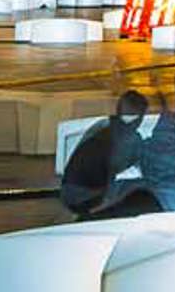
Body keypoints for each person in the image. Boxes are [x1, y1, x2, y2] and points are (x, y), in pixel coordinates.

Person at [60, 89, 149, 218]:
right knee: (142, 186)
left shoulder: (102, 125)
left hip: (68, 193)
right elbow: (115, 167)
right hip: (86, 196)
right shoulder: (127, 137)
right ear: (139, 117)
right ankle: (98, 211)